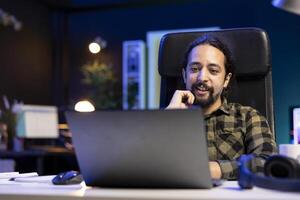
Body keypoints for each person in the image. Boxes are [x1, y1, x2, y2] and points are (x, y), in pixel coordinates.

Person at [166, 35, 277, 180]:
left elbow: (268, 162)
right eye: (194, 69)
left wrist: (210, 170)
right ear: (185, 75)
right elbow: (143, 163)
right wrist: (168, 118)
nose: (202, 78)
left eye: (213, 71)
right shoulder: (168, 117)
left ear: (226, 79)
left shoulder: (248, 117)